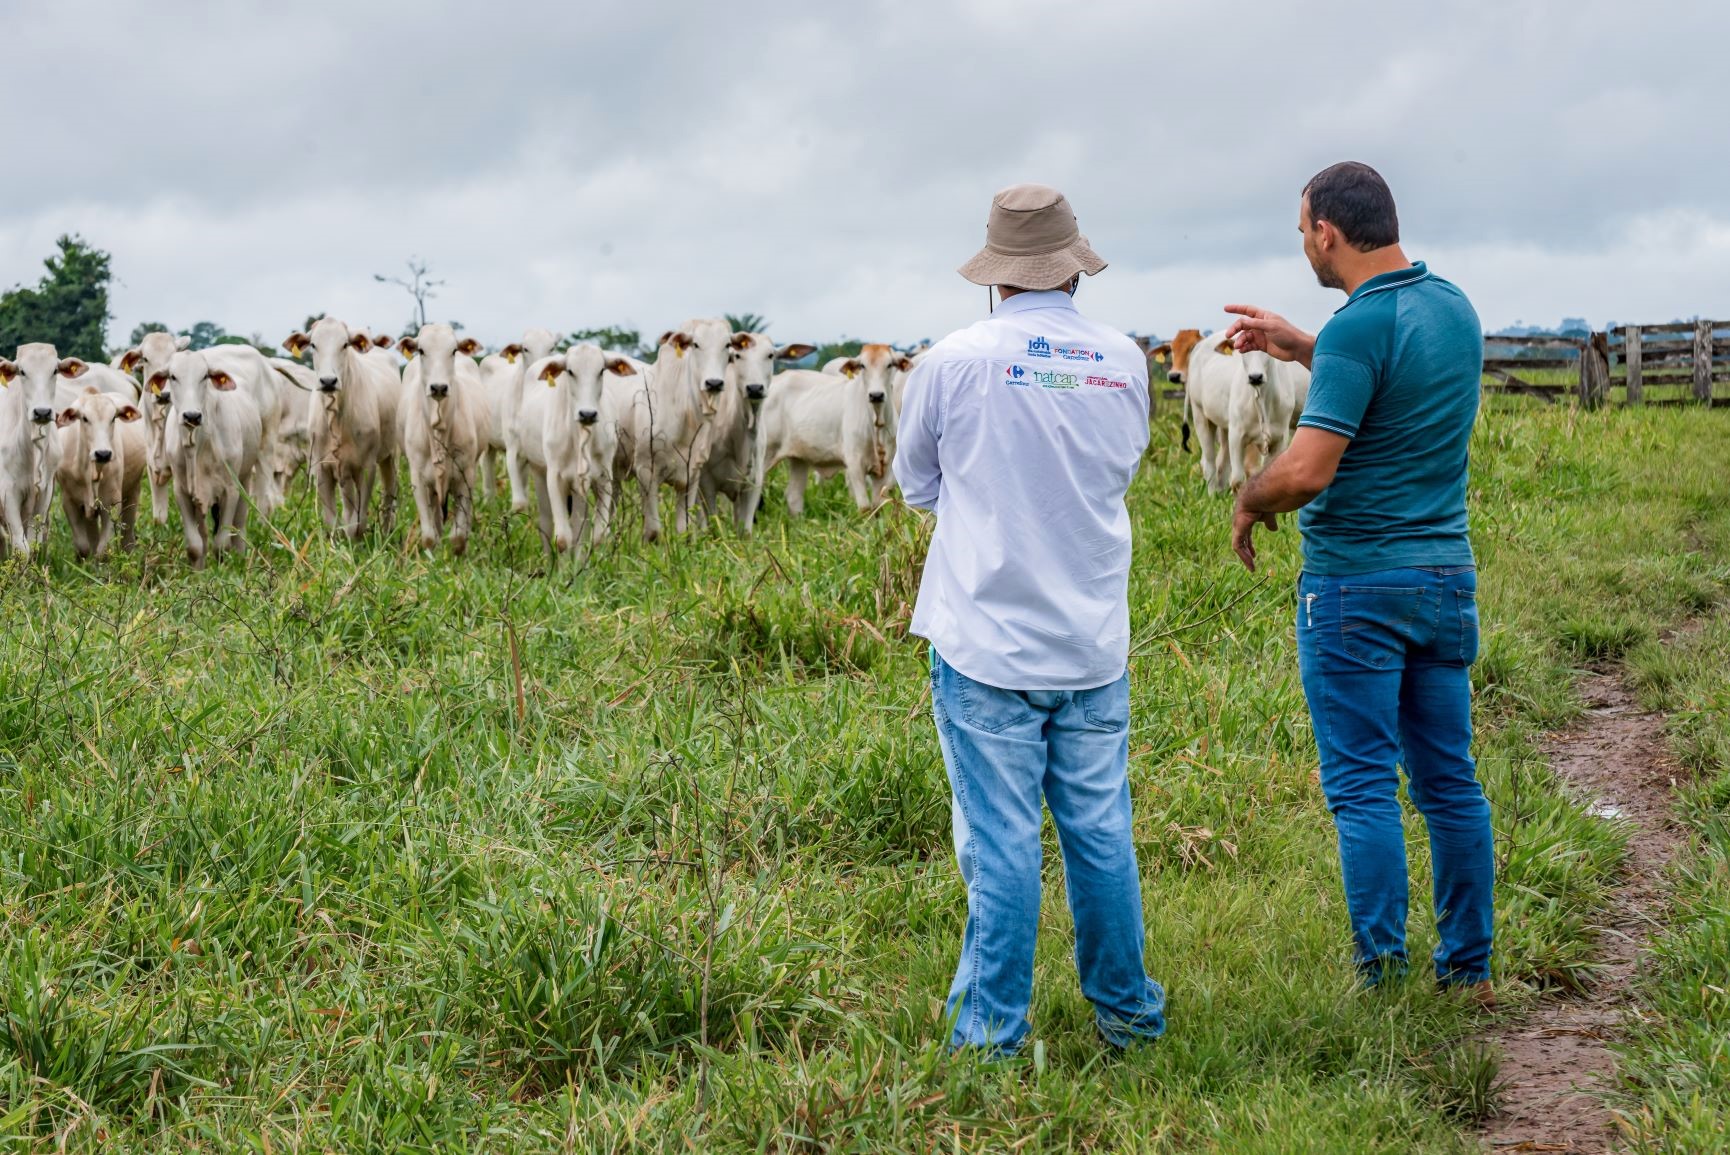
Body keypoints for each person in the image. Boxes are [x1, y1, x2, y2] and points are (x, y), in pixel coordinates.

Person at [894, 183, 1166, 1052]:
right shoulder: (1124, 360)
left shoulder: (954, 360)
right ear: (1074, 266)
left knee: (1002, 843)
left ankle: (990, 1033)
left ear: (996, 276)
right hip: (1089, 644)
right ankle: (1127, 1016)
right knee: (1100, 833)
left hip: (987, 644)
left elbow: (917, 485)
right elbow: (1121, 467)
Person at [1223, 161, 1494, 1002]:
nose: (1303, 244)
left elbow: (1306, 470)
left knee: (1365, 785)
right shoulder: (1453, 307)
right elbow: (1391, 366)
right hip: (1445, 578)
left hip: (1355, 590)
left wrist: (1247, 497)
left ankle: (1381, 976)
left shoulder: (1356, 330)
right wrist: (1303, 342)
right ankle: (1470, 971)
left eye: (1302, 231)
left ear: (1327, 234)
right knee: (1449, 778)